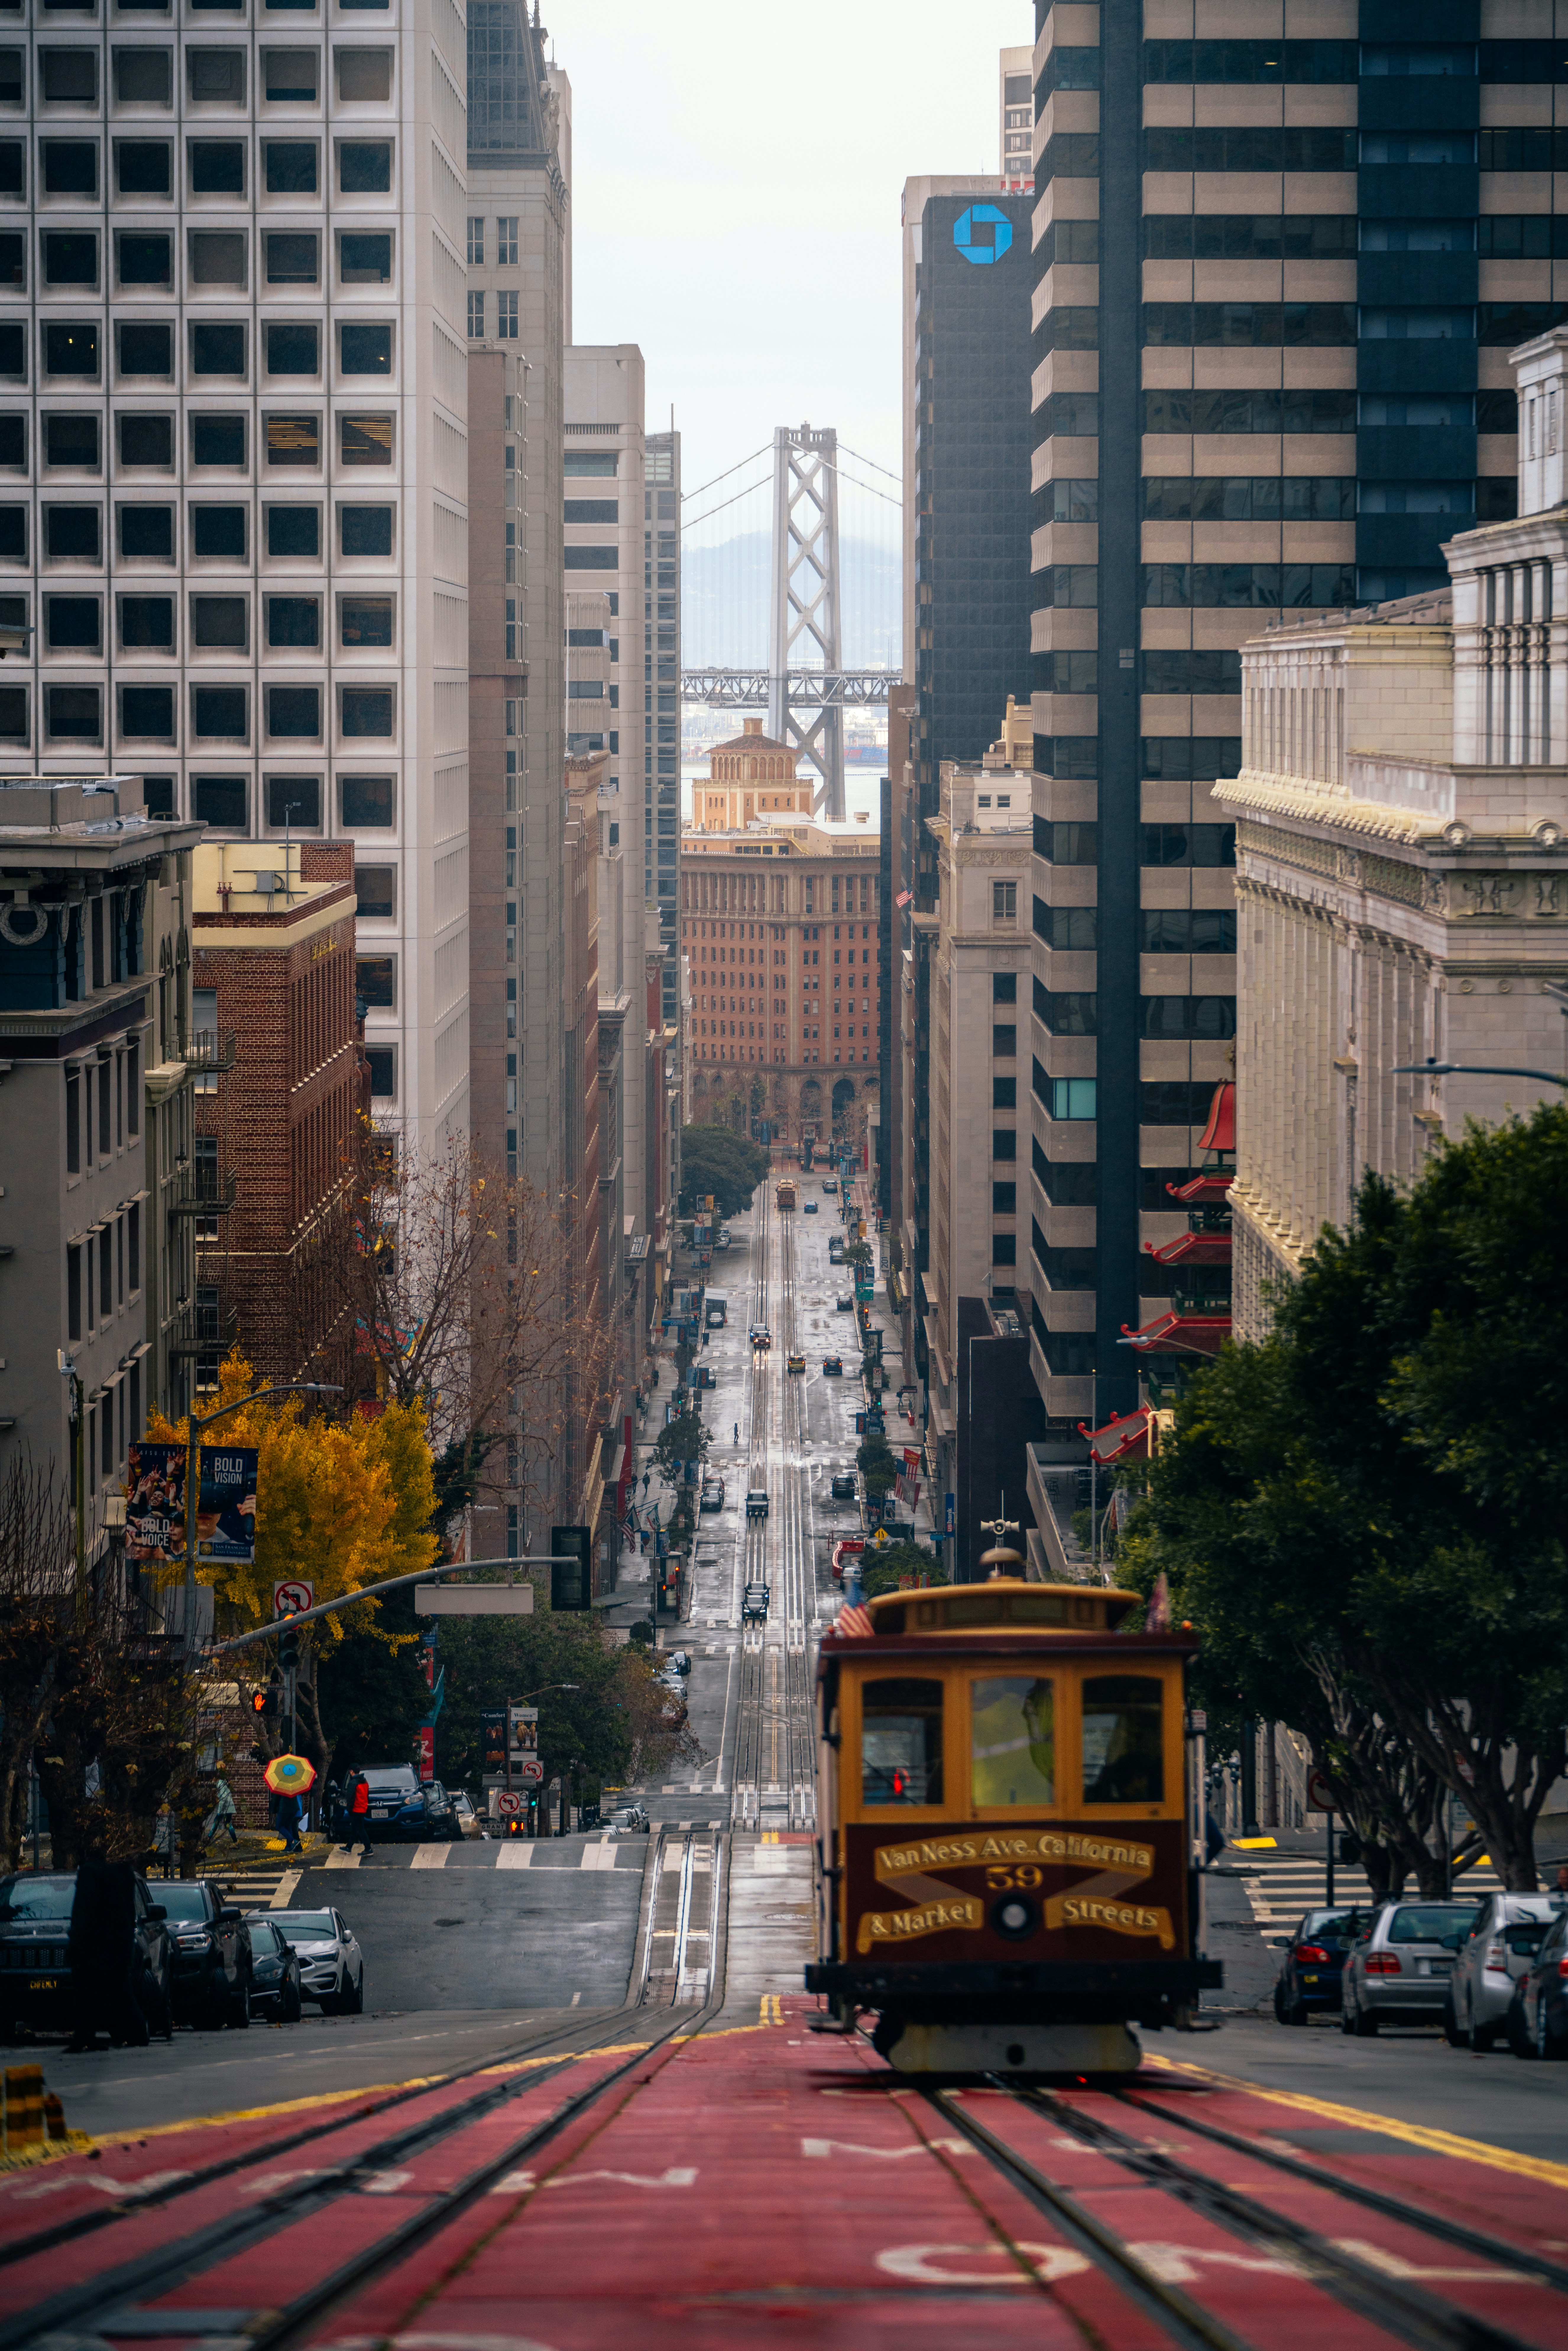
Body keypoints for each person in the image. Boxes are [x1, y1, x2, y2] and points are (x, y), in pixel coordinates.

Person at [341, 1771, 375, 1856]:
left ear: (352, 1772)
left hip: (356, 1810)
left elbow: (351, 1798)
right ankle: (349, 1847)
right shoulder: (365, 1782)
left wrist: (349, 1809)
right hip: (363, 1808)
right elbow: (367, 1795)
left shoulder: (353, 1783)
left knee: (361, 1830)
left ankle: (368, 1848)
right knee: (355, 1829)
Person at [203, 1777, 239, 1845]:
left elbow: (224, 1797)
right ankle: (235, 1842)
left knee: (217, 1822)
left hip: (225, 1808)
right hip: (229, 1806)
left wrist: (221, 1808)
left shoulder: (220, 1784)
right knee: (227, 1823)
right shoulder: (224, 1783)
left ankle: (209, 1838)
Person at [273, 1788, 304, 1854]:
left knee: (279, 1826)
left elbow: (277, 1797)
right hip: (294, 1808)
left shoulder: (281, 1786)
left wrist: (274, 1809)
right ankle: (289, 1846)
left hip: (284, 1808)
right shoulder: (293, 1785)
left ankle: (293, 1841)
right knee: (288, 1826)